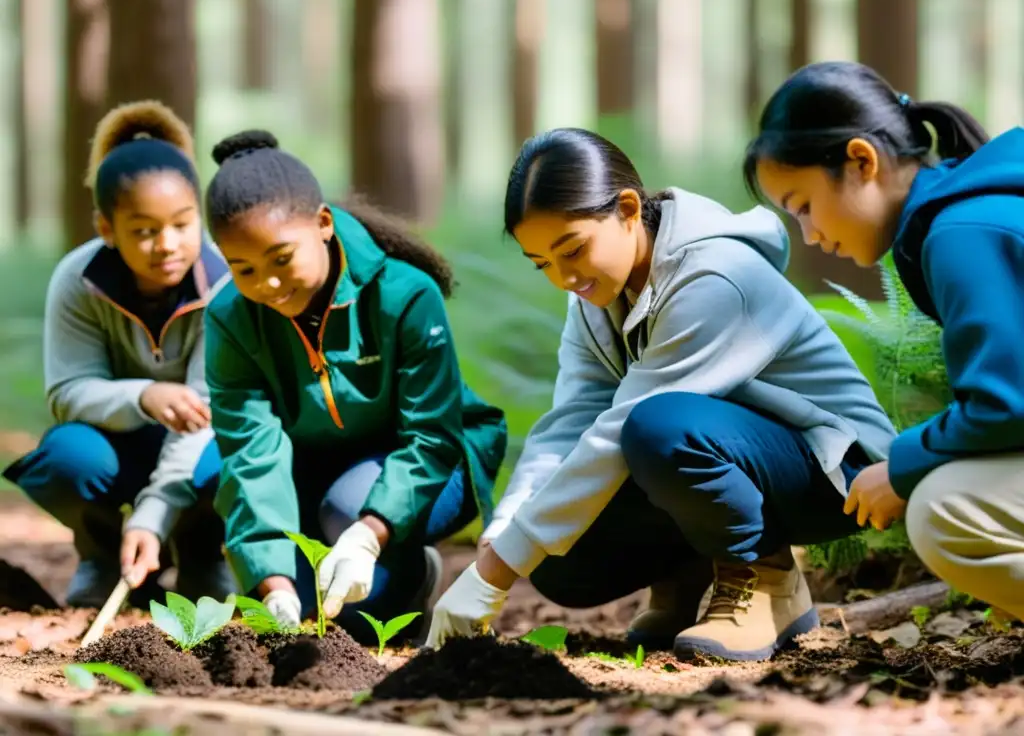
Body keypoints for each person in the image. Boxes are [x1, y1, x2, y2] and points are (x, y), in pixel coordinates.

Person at [424, 127, 897, 662]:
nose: (563, 278)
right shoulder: (597, 297)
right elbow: (572, 418)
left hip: (840, 470)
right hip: (728, 452)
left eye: (572, 250)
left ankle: (766, 581)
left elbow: (621, 425)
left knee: (656, 426)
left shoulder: (717, 276)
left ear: (628, 209)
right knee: (552, 553)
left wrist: (492, 576)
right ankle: (688, 569)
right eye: (543, 265)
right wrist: (506, 531)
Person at [744, 60, 1024, 621]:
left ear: (861, 161)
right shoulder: (978, 209)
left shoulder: (961, 235)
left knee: (945, 513)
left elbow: (1006, 403)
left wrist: (902, 465)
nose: (811, 235)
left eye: (803, 206)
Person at [202, 130, 507, 644]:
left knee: (347, 517)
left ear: (322, 224)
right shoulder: (230, 317)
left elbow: (431, 436)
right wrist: (273, 588)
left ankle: (409, 567)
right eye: (244, 268)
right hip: (316, 470)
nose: (269, 286)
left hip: (432, 463)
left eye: (281, 258)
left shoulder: (404, 294)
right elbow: (251, 453)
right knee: (304, 600)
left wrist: (367, 536)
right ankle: (363, 562)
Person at [2, 101, 235, 608]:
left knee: (231, 456)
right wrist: (145, 395)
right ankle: (103, 555)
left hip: (199, 447)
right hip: (114, 447)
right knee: (67, 457)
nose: (167, 244)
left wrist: (153, 513)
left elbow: (206, 413)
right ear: (107, 228)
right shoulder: (77, 281)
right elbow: (67, 393)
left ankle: (201, 555)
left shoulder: (227, 286)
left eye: (181, 223)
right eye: (145, 230)